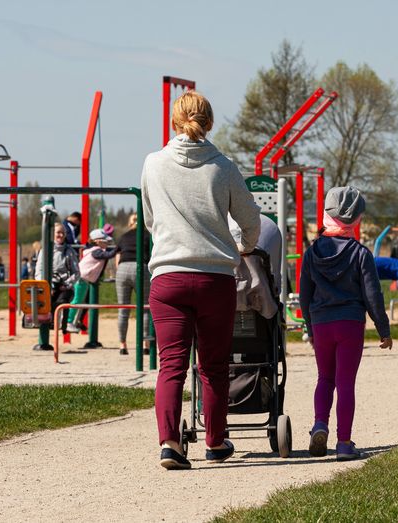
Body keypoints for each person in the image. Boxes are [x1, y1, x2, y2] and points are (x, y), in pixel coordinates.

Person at [141, 90, 261, 470]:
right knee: (213, 365)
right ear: (209, 122)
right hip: (214, 278)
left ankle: (170, 444)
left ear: (174, 121)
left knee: (171, 364)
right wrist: (243, 247)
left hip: (168, 276)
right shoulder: (223, 167)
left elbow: (150, 219)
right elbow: (251, 219)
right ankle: (215, 440)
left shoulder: (152, 164)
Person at [301, 186, 392, 462]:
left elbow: (304, 295)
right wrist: (383, 330)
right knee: (345, 383)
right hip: (350, 324)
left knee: (324, 378)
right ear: (355, 219)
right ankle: (343, 443)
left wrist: (309, 327)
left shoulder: (311, 253)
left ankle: (319, 425)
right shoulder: (360, 253)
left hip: (321, 324)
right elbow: (373, 295)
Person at [66, 228, 118, 336]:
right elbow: (108, 255)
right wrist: (119, 248)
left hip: (84, 279)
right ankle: (68, 321)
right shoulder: (96, 251)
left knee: (80, 301)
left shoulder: (91, 250)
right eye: (105, 241)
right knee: (77, 301)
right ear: (97, 241)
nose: (107, 243)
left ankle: (72, 321)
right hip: (81, 278)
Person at [114, 213, 152, 355]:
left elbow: (117, 259)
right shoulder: (148, 236)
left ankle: (122, 345)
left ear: (130, 223)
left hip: (123, 268)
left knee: (123, 308)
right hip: (140, 268)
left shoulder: (123, 237)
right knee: (145, 308)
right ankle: (145, 344)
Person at [36, 223, 80, 339]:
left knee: (61, 302)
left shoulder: (69, 251)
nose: (60, 235)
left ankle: (61, 323)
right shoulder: (45, 250)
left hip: (64, 286)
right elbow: (39, 271)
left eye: (63, 233)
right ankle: (45, 327)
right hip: (48, 286)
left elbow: (76, 272)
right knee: (45, 301)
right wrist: (46, 286)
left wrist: (67, 284)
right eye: (58, 232)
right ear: (52, 235)